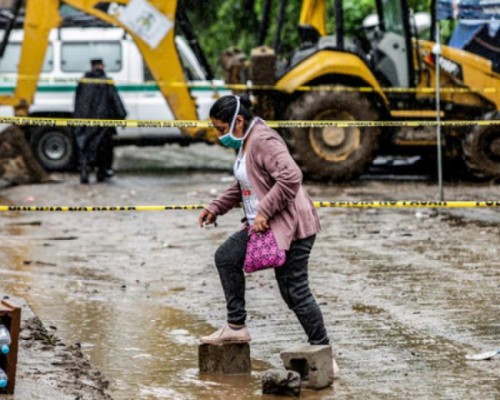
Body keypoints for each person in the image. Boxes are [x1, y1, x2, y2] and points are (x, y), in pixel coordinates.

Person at [198, 95, 338, 375]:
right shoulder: (246, 142)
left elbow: (291, 177)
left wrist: (264, 211)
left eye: (219, 127)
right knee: (226, 257)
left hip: (293, 226)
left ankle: (324, 353)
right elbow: (244, 183)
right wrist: (216, 207)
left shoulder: (263, 139)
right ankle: (236, 327)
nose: (218, 135)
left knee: (295, 292)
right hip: (262, 225)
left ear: (238, 121)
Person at [74, 59, 127, 184]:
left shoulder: (83, 81)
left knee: (86, 147)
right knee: (104, 149)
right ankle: (102, 172)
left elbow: (77, 101)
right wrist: (121, 116)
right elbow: (115, 100)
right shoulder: (106, 81)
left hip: (85, 121)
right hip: (103, 121)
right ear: (101, 66)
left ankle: (84, 171)